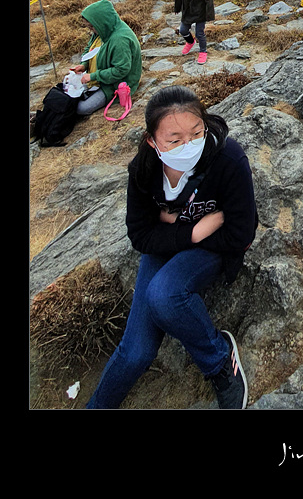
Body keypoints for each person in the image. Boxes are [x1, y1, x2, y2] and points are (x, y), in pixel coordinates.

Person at [86, 86, 258, 409]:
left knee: (164, 295)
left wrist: (175, 226)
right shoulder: (144, 169)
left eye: (196, 133)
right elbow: (140, 234)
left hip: (214, 249)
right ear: (153, 141)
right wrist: (192, 232)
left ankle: (219, 359)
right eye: (175, 140)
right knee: (134, 353)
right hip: (175, 242)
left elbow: (240, 234)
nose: (188, 145)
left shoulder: (228, 159)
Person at [70, 0, 142, 117]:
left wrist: (93, 76)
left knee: (81, 108)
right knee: (69, 94)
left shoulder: (120, 40)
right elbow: (90, 48)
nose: (91, 30)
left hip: (115, 84)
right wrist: (84, 65)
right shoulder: (103, 30)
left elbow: (121, 70)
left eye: (92, 26)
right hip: (101, 77)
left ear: (101, 22)